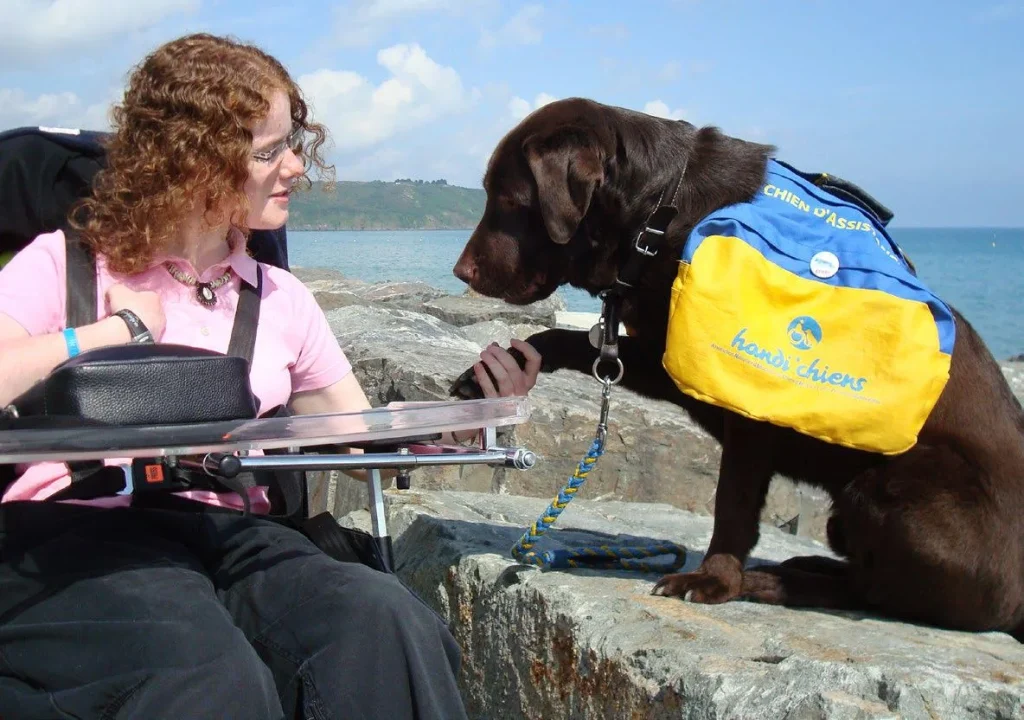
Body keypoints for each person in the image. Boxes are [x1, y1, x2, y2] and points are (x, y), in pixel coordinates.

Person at [0, 33, 540, 720]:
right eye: (268, 152)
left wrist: (468, 421)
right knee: (208, 676)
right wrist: (113, 334)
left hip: (231, 533)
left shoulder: (281, 301)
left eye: (294, 145)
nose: (295, 169)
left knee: (387, 624)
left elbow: (355, 440)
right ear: (191, 163)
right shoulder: (66, 266)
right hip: (74, 536)